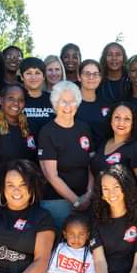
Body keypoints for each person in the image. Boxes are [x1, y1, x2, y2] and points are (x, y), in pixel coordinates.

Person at [38, 81, 95, 227]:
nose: (68, 107)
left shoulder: (84, 128)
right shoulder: (47, 132)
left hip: (87, 198)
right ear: (55, 104)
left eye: (72, 102)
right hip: (58, 201)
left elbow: (92, 163)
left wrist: (89, 193)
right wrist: (76, 201)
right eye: (63, 102)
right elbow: (51, 175)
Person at [0, 84, 38, 208]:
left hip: (25, 195)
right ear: (1, 100)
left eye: (21, 100)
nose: (16, 103)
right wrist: (6, 192)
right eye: (11, 98)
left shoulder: (31, 126)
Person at [90, 103, 137, 203]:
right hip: (99, 206)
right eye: (117, 117)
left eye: (127, 119)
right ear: (111, 120)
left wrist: (136, 212)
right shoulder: (104, 143)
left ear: (133, 123)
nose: (121, 122)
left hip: (123, 210)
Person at [75, 59, 111, 144]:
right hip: (76, 154)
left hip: (101, 154)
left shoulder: (107, 104)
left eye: (95, 74)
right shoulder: (71, 104)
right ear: (79, 77)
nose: (91, 77)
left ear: (100, 78)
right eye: (87, 74)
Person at [19, 57, 54, 135]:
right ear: (21, 77)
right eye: (28, 73)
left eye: (37, 73)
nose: (33, 77)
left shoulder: (53, 100)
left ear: (44, 77)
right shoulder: (16, 100)